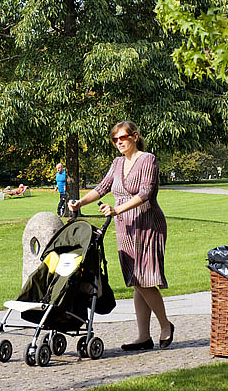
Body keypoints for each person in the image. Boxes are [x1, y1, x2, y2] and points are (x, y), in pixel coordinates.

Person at [68, 121, 174, 351]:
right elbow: (102, 187)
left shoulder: (148, 160)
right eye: (115, 140)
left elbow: (146, 193)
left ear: (135, 137)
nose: (119, 143)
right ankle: (143, 337)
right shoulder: (117, 164)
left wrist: (117, 209)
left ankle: (165, 326)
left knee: (145, 279)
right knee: (136, 282)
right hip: (124, 227)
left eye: (123, 138)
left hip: (147, 225)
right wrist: (79, 202)